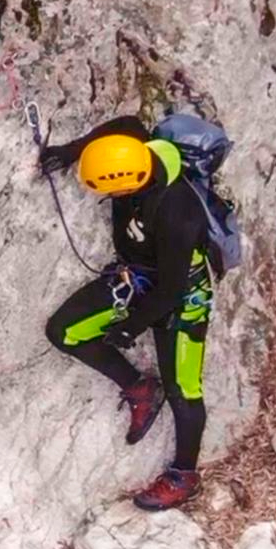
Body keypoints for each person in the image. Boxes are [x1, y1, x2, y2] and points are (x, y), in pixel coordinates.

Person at [39, 117, 214, 511]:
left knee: (183, 390)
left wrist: (128, 329)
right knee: (63, 332)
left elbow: (171, 291)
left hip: (184, 295)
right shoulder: (136, 149)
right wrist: (72, 151)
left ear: (129, 179)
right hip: (136, 279)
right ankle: (139, 387)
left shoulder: (178, 212)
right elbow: (130, 123)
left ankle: (184, 475)